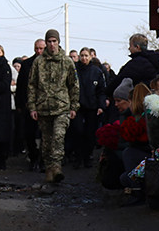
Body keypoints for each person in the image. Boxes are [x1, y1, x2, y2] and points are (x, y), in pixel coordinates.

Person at [28, 29, 79, 186]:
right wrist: (32, 107)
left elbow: (74, 85)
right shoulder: (39, 62)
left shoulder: (66, 61)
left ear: (58, 42)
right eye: (49, 41)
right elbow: (32, 85)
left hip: (61, 107)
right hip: (43, 107)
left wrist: (74, 106)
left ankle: (57, 168)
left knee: (58, 137)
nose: (51, 44)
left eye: (54, 41)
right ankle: (49, 170)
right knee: (46, 141)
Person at [70, 47, 107, 169]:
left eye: (86, 56)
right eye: (82, 56)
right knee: (78, 131)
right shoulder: (75, 71)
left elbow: (101, 90)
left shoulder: (96, 72)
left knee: (90, 133)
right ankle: (78, 157)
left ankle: (88, 157)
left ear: (90, 57)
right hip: (78, 106)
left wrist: (101, 105)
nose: (84, 58)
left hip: (92, 107)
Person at [15, 39, 44, 169]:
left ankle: (44, 161)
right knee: (29, 133)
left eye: (41, 49)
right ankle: (33, 156)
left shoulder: (50, 64)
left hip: (45, 105)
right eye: (37, 48)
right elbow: (21, 86)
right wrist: (20, 104)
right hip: (29, 104)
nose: (39, 51)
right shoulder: (27, 64)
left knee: (45, 135)